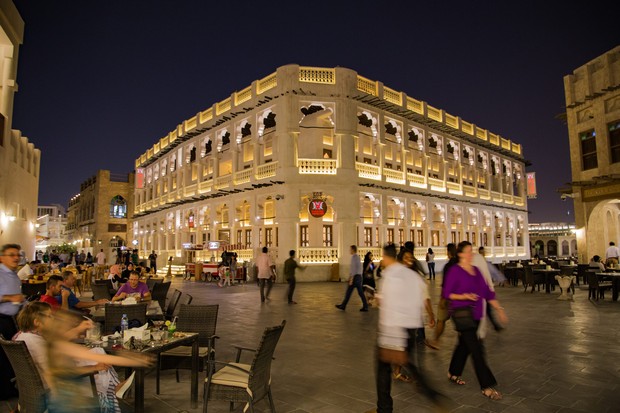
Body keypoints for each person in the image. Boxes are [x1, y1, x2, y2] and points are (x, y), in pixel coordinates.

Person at [372, 243, 445, 413]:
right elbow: (419, 300)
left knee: (382, 370)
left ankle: (384, 408)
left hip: (393, 331)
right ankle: (432, 395)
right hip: (411, 328)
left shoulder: (389, 276)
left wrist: (389, 338)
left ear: (386, 257)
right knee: (410, 364)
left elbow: (389, 308)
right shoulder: (413, 276)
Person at [40, 307, 151, 413]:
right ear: (61, 328)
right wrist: (135, 360)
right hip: (70, 402)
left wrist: (80, 327)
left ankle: (115, 389)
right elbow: (103, 358)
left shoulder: (53, 344)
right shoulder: (64, 347)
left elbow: (49, 374)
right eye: (69, 324)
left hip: (62, 399)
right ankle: (115, 389)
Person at [443, 241, 508, 401]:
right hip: (462, 315)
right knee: (477, 349)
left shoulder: (477, 271)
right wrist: (464, 296)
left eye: (472, 251)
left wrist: (499, 310)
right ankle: (486, 385)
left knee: (464, 346)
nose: (471, 254)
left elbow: (487, 293)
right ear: (460, 254)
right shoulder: (454, 271)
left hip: (477, 315)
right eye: (468, 252)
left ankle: (453, 372)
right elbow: (447, 293)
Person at [0, 243, 25, 400]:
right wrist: (10, 298)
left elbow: (19, 298)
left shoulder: (14, 275)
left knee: (10, 356)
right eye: (12, 255)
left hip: (12, 320)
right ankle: (4, 391)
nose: (16, 258)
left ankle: (9, 387)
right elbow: (12, 297)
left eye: (18, 255)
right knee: (3, 356)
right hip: (1, 320)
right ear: (2, 258)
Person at [426, 243, 458, 350]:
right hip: (459, 297)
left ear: (448, 252)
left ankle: (435, 341)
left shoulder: (448, 266)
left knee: (441, 319)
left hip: (448, 297)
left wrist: (442, 299)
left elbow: (445, 284)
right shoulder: (460, 263)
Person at [336, 245, 369, 312]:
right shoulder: (357, 257)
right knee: (358, 293)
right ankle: (343, 305)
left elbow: (354, 269)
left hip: (355, 277)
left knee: (351, 292)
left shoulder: (354, 258)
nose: (349, 251)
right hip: (358, 277)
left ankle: (344, 306)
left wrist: (351, 278)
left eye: (350, 249)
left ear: (353, 250)